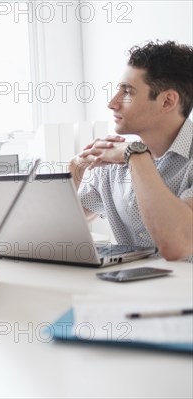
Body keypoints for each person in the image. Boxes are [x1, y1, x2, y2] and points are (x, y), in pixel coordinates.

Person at [70, 40, 193, 261]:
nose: (112, 103)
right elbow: (61, 229)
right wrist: (73, 173)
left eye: (127, 92)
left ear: (167, 101)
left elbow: (177, 244)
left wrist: (136, 155)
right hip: (131, 292)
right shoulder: (113, 160)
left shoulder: (129, 154)